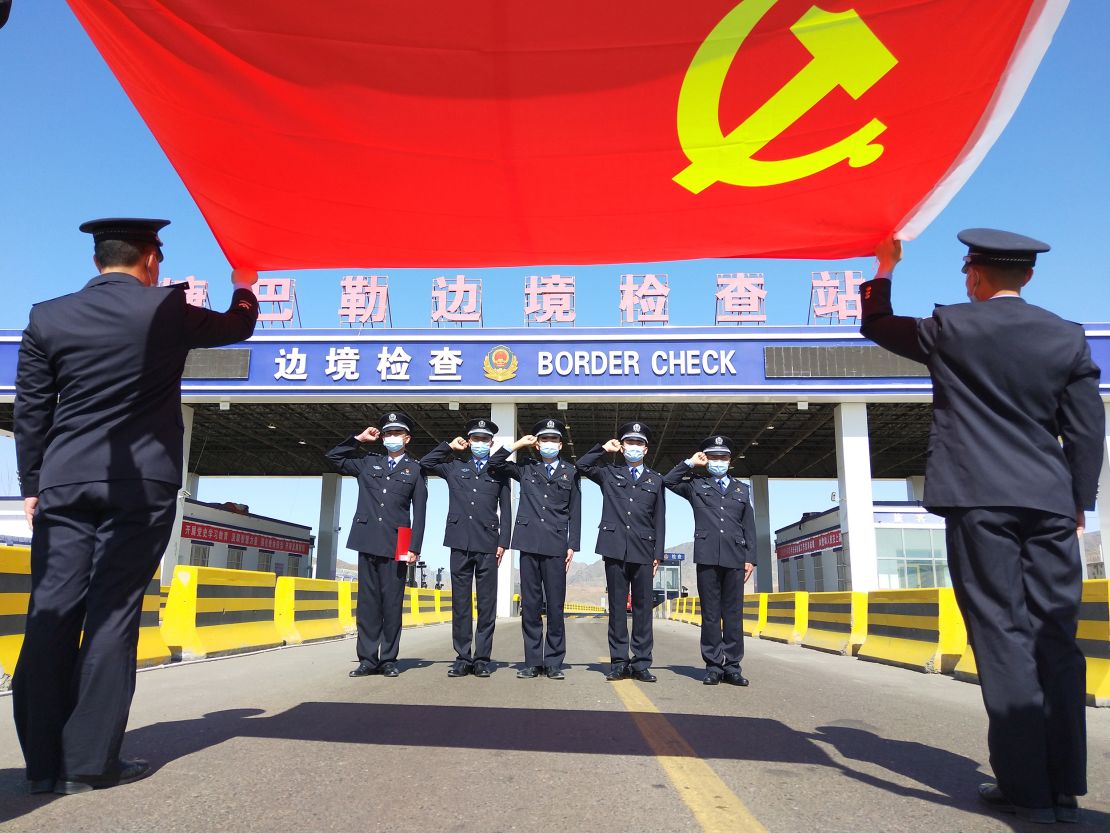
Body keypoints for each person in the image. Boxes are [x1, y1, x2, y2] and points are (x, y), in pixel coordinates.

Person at [860, 230, 1104, 825]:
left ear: (973, 275)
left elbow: (877, 323)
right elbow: (1088, 430)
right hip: (1048, 503)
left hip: (978, 501)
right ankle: (1066, 780)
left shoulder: (952, 327)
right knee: (1056, 634)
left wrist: (884, 266)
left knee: (1001, 633)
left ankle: (1026, 786)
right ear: (1029, 278)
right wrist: (1079, 500)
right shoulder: (1067, 337)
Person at [13, 217, 258, 795]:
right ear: (152, 259)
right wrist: (244, 284)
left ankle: (43, 764)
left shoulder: (46, 316)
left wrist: (33, 484)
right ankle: (89, 763)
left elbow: (31, 411)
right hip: (137, 486)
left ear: (96, 262)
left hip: (64, 484)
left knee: (50, 615)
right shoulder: (165, 310)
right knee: (112, 615)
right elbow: (236, 328)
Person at [326, 412, 427, 679]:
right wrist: (358, 439)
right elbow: (334, 458)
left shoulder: (415, 470)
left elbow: (420, 512)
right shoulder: (367, 463)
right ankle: (367, 660)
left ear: (407, 438)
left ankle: (389, 659)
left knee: (392, 604)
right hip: (367, 538)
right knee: (368, 604)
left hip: (398, 541)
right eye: (387, 434)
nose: (391, 438)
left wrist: (414, 546)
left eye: (397, 434)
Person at [487, 418, 581, 679]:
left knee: (555, 606)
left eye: (553, 440)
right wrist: (516, 444)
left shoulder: (570, 472)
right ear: (537, 445)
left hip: (556, 545)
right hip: (528, 542)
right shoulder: (525, 468)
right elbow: (494, 463)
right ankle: (531, 661)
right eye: (544, 440)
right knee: (530, 605)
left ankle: (553, 662)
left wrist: (573, 544)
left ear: (560, 444)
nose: (549, 444)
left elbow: (575, 510)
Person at [419, 417, 511, 678]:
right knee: (460, 603)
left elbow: (506, 509)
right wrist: (449, 446)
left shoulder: (499, 471)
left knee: (486, 604)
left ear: (491, 443)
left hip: (488, 544)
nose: (480, 443)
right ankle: (462, 656)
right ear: (469, 441)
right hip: (459, 542)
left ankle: (482, 658)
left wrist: (504, 542)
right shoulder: (455, 468)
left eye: (484, 439)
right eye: (475, 439)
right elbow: (425, 463)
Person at [663, 435, 756, 686]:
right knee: (711, 615)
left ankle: (733, 666)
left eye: (722, 458)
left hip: (735, 558)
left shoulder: (742, 489)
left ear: (730, 460)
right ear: (706, 459)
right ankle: (713, 665)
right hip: (707, 558)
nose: (718, 461)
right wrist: (691, 463)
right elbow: (668, 481)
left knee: (733, 614)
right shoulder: (696, 485)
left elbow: (749, 526)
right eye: (713, 457)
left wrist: (751, 559)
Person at [576, 422, 665, 682]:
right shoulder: (609, 473)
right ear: (622, 446)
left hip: (643, 550)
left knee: (642, 610)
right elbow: (582, 465)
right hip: (614, 548)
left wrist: (657, 553)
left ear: (646, 450)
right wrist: (603, 449)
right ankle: (618, 661)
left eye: (639, 444)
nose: (633, 448)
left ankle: (641, 663)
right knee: (616, 608)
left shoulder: (655, 480)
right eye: (629, 443)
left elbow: (659, 519)